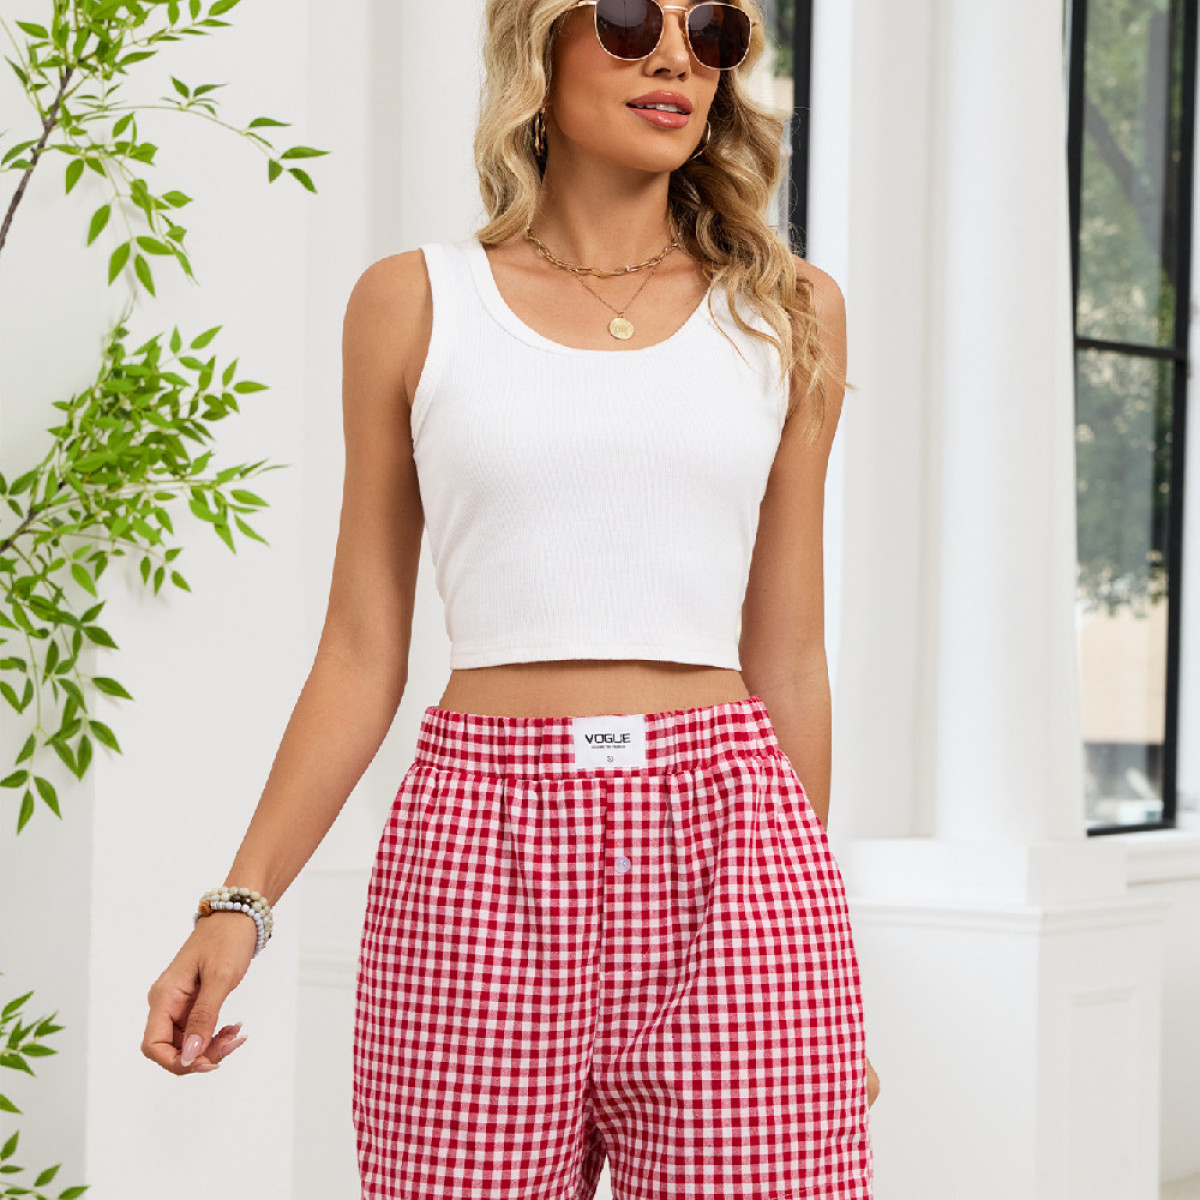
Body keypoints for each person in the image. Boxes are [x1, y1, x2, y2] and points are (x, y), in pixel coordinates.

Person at [142, 0, 880, 1194]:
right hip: (476, 849)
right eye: (630, 18)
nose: (676, 54)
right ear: (538, 45)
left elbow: (790, 658)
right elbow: (361, 648)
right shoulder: (412, 301)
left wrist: (818, 956)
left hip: (737, 854)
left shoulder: (789, 309)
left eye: (712, 29)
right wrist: (240, 904)